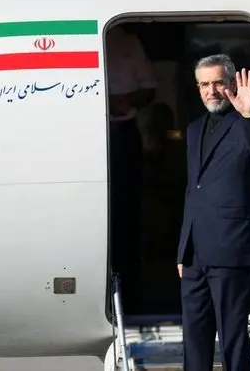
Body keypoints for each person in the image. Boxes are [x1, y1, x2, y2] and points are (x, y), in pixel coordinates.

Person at [176, 54, 250, 371]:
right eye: (204, 84)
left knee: (232, 337)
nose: (211, 90)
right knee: (194, 339)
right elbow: (194, 190)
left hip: (231, 248)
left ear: (231, 83)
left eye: (218, 82)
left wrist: (247, 115)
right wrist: (182, 249)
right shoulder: (194, 129)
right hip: (195, 254)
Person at [105, 25, 156, 307]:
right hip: (91, 133)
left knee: (128, 210)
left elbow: (149, 88)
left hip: (124, 133)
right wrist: (104, 101)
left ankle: (130, 290)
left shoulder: (131, 42)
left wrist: (125, 101)